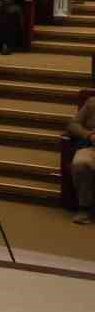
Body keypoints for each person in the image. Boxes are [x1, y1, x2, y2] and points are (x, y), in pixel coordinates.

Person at [67, 96, 95, 224]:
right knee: (80, 163)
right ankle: (85, 208)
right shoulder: (92, 102)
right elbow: (73, 125)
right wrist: (89, 135)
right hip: (91, 148)